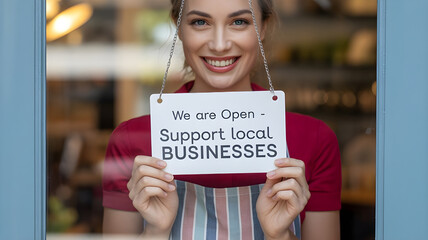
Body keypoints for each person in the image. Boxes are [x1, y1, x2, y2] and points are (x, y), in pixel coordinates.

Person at [102, 0, 341, 239]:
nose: (219, 45)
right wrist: (155, 231)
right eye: (200, 22)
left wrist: (279, 235)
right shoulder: (131, 140)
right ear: (179, 27)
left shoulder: (315, 140)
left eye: (239, 22)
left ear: (264, 27)